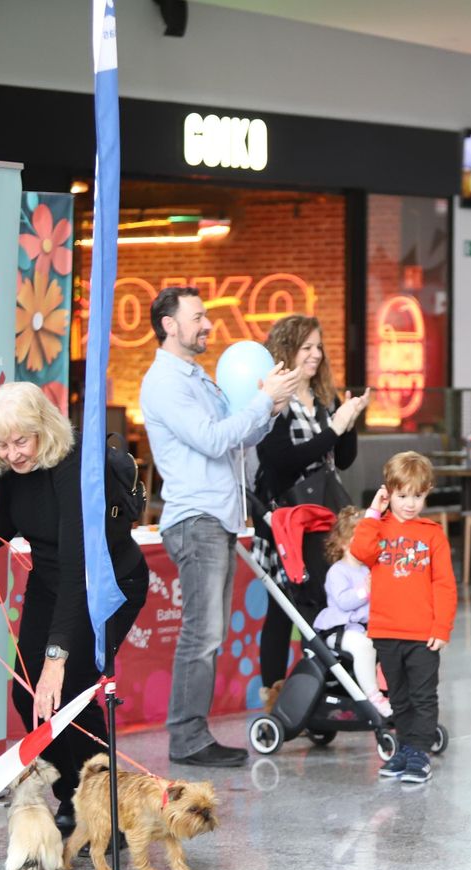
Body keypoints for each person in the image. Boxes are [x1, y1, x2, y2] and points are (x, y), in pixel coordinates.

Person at [0, 383, 149, 832]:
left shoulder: (74, 465)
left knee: (72, 692)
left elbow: (78, 568)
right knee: (27, 691)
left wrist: (57, 656)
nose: (12, 454)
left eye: (20, 442)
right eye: (2, 445)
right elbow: (8, 512)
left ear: (43, 430)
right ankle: (71, 793)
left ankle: (104, 814)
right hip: (51, 580)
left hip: (105, 583)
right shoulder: (11, 462)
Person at [140, 286, 302, 767]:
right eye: (198, 316)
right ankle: (188, 739)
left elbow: (236, 439)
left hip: (219, 518)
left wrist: (270, 409)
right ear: (169, 324)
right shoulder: (165, 382)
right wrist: (261, 404)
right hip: (197, 520)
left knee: (208, 635)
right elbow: (213, 441)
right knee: (202, 635)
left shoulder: (197, 379)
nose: (208, 324)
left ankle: (191, 734)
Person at [252, 314, 369, 705]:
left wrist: (347, 421)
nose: (316, 355)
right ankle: (275, 693)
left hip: (323, 517)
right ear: (286, 351)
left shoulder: (322, 399)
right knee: (283, 606)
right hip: (286, 518)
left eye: (318, 347)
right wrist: (333, 430)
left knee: (321, 601)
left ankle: (320, 687)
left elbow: (344, 459)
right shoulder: (275, 402)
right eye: (307, 348)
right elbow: (282, 461)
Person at [350, 452, 456, 786]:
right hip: (386, 631)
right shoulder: (376, 528)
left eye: (418, 496)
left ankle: (419, 753)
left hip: (423, 634)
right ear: (388, 493)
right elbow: (359, 552)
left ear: (427, 493)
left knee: (423, 696)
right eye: (402, 495)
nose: (410, 504)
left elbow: (444, 584)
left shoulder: (432, 533)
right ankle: (405, 748)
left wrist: (442, 627)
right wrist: (373, 511)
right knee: (398, 696)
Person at [312, 506, 391, 717]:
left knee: (391, 643)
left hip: (362, 628)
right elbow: (344, 601)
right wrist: (365, 591)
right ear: (344, 543)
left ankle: (389, 690)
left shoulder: (366, 569)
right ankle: (373, 696)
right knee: (364, 646)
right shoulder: (337, 571)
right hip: (339, 630)